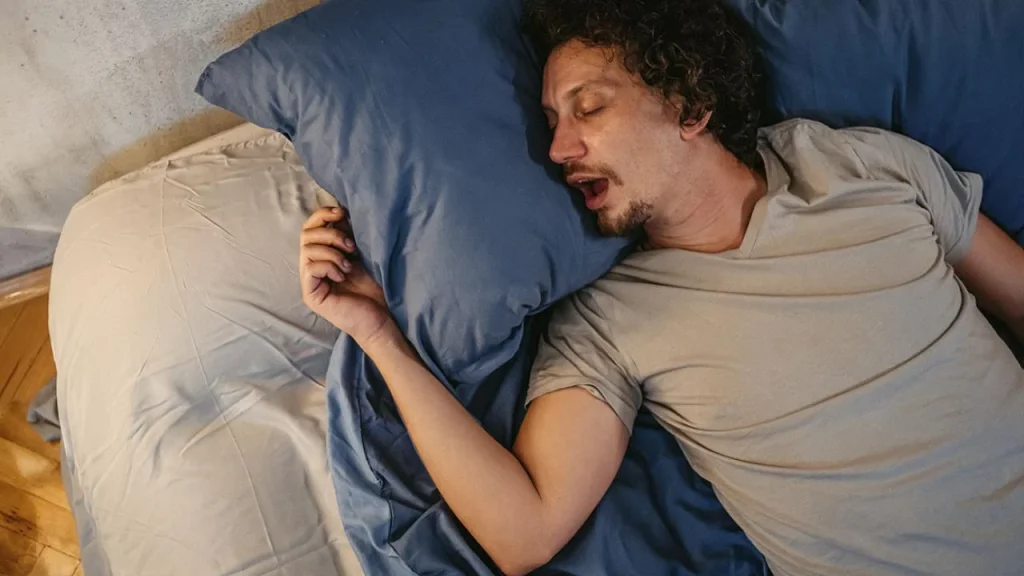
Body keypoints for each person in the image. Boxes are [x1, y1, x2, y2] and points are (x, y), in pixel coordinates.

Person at [298, 0, 1024, 574]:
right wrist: (379, 336)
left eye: (589, 108)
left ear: (689, 106)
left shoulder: (862, 164)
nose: (557, 150)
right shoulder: (610, 319)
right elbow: (524, 534)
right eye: (552, 122)